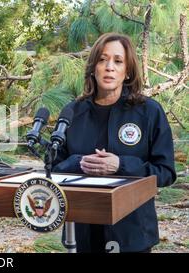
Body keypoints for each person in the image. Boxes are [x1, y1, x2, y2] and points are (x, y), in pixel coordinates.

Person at [52, 32, 176, 253]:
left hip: (132, 234)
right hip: (83, 233)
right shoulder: (72, 111)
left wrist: (121, 165)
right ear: (93, 67)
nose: (109, 67)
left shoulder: (149, 112)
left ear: (127, 71)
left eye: (118, 61)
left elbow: (165, 172)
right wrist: (78, 163)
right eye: (102, 59)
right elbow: (52, 168)